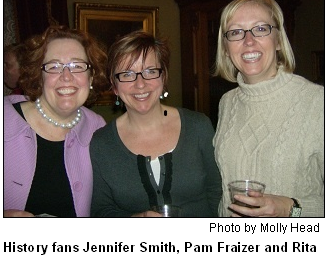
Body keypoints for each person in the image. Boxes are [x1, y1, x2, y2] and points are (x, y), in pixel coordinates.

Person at [213, 0, 324, 217]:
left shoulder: (317, 102)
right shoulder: (228, 103)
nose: (248, 40)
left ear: (279, 40)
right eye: (235, 32)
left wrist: (289, 209)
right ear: (225, 48)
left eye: (261, 29)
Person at [90, 30, 222, 217]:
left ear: (163, 77)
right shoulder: (101, 143)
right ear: (114, 85)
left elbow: (218, 193)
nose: (140, 84)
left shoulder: (198, 126)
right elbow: (101, 210)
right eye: (127, 74)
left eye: (150, 71)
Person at [4, 25, 109, 217]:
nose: (66, 77)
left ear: (91, 76)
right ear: (39, 76)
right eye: (53, 66)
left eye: (77, 66)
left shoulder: (99, 129)